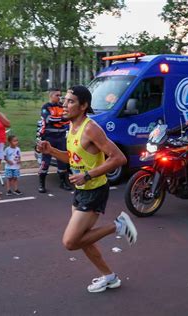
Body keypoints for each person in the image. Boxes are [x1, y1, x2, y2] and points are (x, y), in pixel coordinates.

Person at [37, 85, 138, 293]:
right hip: (82, 190)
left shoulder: (91, 128)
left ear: (83, 106)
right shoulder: (71, 127)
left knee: (70, 242)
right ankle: (109, 277)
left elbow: (119, 158)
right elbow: (72, 158)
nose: (64, 105)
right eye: (64, 100)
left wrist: (88, 175)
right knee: (84, 240)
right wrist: (51, 150)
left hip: (94, 190)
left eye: (71, 101)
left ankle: (117, 226)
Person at [38, 88, 71, 193]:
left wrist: (62, 119)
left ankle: (63, 183)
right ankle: (41, 185)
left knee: (62, 160)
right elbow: (49, 120)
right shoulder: (45, 107)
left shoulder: (62, 106)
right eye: (57, 95)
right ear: (51, 96)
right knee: (45, 161)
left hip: (61, 136)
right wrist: (62, 119)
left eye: (60, 95)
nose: (59, 97)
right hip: (49, 137)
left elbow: (68, 118)